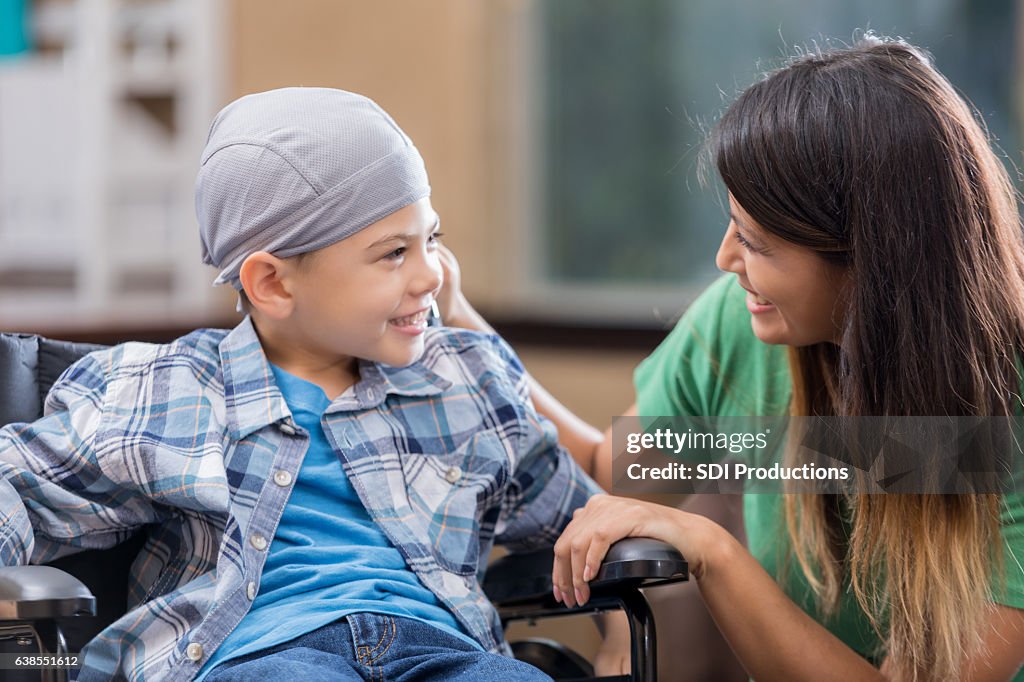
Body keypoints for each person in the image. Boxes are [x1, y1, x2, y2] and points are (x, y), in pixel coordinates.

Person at [441, 36, 1024, 681]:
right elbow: (617, 472)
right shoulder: (740, 327)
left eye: (755, 242)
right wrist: (459, 321)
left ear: (872, 258)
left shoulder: (1006, 418)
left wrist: (714, 552)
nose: (725, 260)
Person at [0, 87, 601, 681]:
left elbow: (586, 513)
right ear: (274, 284)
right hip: (260, 654)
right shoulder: (166, 389)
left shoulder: (464, 380)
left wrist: (621, 630)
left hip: (445, 650)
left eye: (432, 239)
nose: (434, 275)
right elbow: (15, 483)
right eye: (394, 252)